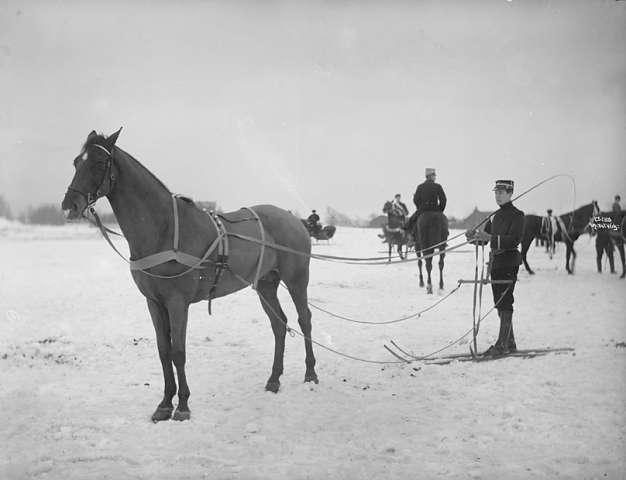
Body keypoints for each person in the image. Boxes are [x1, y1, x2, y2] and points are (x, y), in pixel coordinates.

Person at [466, 180, 524, 357]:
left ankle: (501, 345)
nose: (497, 195)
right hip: (495, 264)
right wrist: (473, 238)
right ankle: (510, 342)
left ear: (510, 193)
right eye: (496, 192)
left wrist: (489, 236)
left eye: (501, 192)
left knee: (505, 302)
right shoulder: (495, 216)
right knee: (500, 303)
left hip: (509, 262)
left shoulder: (518, 215)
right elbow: (485, 240)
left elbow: (514, 240)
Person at [407, 168, 447, 232]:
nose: (435, 177)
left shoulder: (420, 186)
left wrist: (420, 207)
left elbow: (416, 200)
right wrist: (440, 210)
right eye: (434, 175)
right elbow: (443, 200)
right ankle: (445, 236)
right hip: (435, 210)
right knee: (444, 223)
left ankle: (410, 236)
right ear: (429, 176)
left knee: (410, 222)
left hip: (423, 210)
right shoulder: (438, 186)